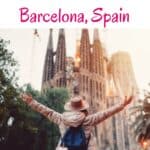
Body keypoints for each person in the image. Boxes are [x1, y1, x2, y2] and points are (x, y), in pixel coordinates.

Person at [21, 93, 134, 150]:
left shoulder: (61, 119)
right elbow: (106, 113)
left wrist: (31, 102)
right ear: (83, 108)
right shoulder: (88, 120)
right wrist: (122, 104)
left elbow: (47, 112)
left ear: (70, 108)